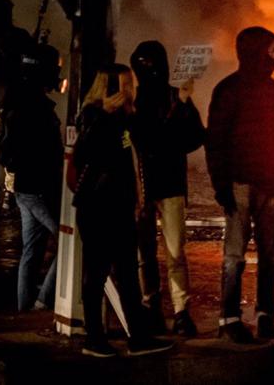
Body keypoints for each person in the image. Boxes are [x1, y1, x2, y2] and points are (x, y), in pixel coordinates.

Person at [72, 64, 173, 357]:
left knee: (128, 274)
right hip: (98, 206)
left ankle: (138, 337)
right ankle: (94, 339)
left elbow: (135, 155)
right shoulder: (92, 115)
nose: (131, 88)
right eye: (126, 83)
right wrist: (104, 116)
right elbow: (88, 153)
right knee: (97, 273)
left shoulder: (126, 118)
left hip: (119, 206)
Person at [206, 27, 274, 342]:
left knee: (270, 255)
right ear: (253, 52)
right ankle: (230, 319)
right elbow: (215, 141)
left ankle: (265, 316)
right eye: (269, 51)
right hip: (239, 184)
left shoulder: (272, 89)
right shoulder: (228, 90)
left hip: (269, 184)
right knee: (235, 256)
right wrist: (221, 185)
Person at [129, 41, 205, 337]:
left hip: (162, 184)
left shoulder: (173, 97)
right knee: (150, 252)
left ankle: (176, 310)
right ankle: (158, 307)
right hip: (146, 185)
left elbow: (195, 136)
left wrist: (183, 107)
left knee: (171, 253)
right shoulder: (136, 100)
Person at [0, 44, 63, 310]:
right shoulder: (37, 107)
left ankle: (24, 309)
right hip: (40, 187)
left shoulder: (18, 101)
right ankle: (44, 300)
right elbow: (45, 150)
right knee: (71, 242)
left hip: (25, 187)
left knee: (31, 250)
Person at [0, 0, 33, 216]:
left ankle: (0, 198)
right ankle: (6, 197)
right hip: (9, 103)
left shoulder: (17, 37)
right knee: (10, 152)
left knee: (4, 153)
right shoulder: (19, 37)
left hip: (5, 103)